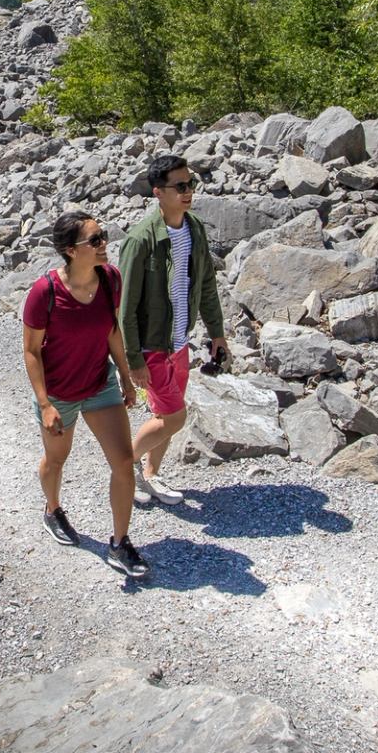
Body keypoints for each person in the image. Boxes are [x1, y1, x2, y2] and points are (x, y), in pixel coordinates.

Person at [21, 210, 150, 578]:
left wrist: (125, 378)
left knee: (123, 462)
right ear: (70, 250)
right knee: (56, 460)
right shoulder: (44, 291)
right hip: (59, 394)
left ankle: (119, 543)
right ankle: (52, 508)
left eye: (103, 235)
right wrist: (45, 404)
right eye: (94, 240)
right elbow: (31, 351)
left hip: (99, 386)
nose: (103, 244)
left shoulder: (110, 279)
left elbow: (111, 331)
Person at [118, 153, 228, 506]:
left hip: (180, 340)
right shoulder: (140, 241)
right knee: (175, 417)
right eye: (179, 186)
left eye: (190, 184)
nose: (188, 191)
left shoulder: (194, 228)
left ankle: (149, 476)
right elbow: (127, 308)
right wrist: (134, 360)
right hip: (153, 346)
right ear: (157, 192)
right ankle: (124, 466)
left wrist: (217, 332)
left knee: (164, 413)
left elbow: (206, 284)